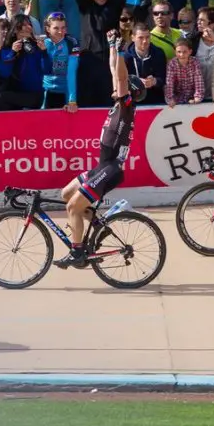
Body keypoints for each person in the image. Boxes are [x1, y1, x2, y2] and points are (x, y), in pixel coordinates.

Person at [53, 31, 147, 270]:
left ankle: (77, 253)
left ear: (130, 92)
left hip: (111, 168)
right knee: (67, 194)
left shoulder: (127, 106)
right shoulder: (120, 104)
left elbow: (122, 78)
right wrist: (112, 46)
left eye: (122, 86)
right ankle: (98, 226)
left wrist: (123, 52)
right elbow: (115, 73)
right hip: (103, 166)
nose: (115, 85)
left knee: (73, 207)